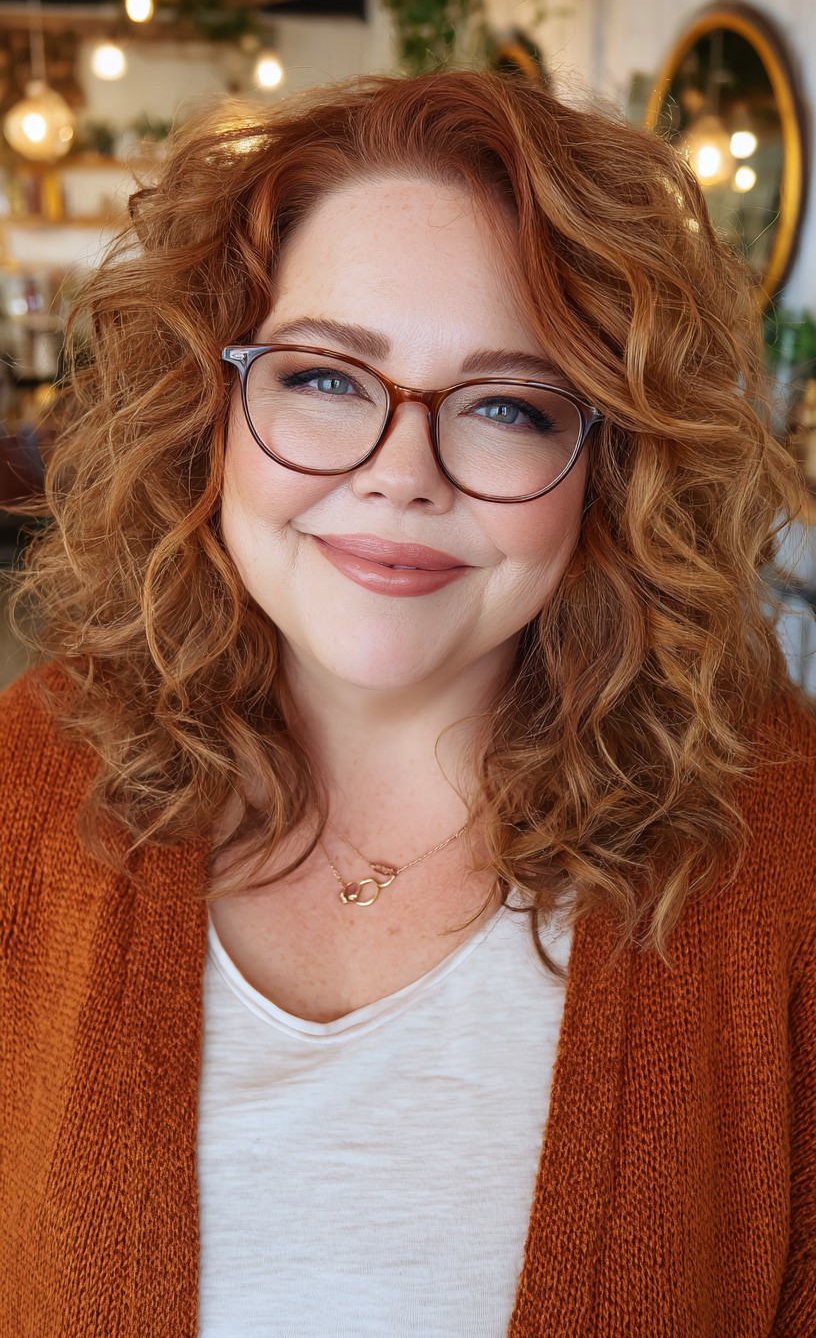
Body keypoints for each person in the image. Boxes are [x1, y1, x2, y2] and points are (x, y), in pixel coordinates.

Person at [1, 68, 814, 1338]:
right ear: (210, 407)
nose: (399, 476)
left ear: (612, 466)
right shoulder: (25, 783)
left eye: (505, 405)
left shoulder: (783, 849)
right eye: (325, 377)